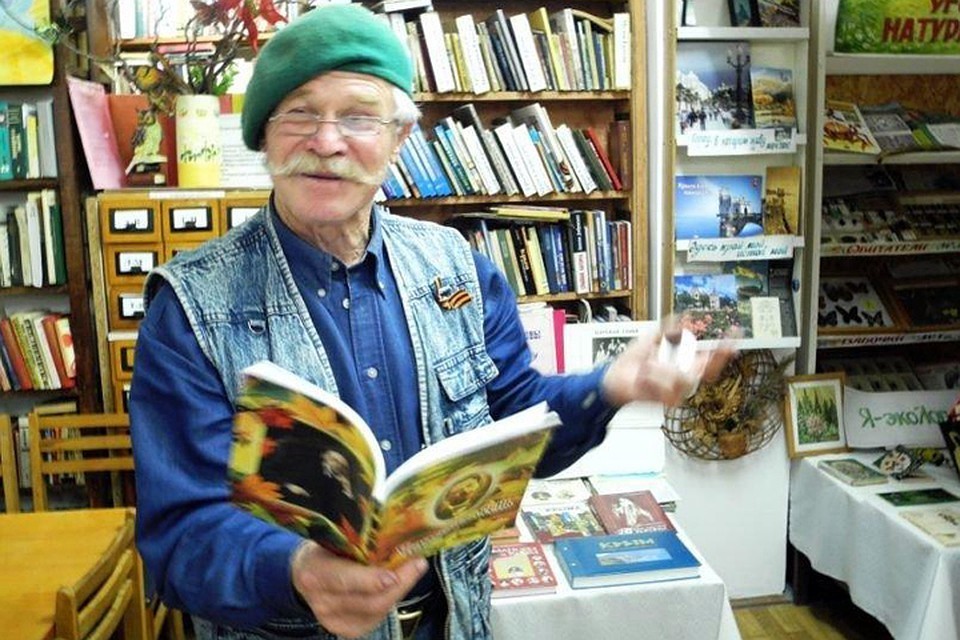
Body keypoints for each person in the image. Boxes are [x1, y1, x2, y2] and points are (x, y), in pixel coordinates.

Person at [129, 5, 734, 640]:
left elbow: (515, 422)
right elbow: (179, 535)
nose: (327, 141)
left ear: (399, 139)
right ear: (264, 137)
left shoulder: (459, 269)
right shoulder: (190, 307)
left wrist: (611, 386)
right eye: (300, 113)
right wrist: (296, 570)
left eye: (358, 116)